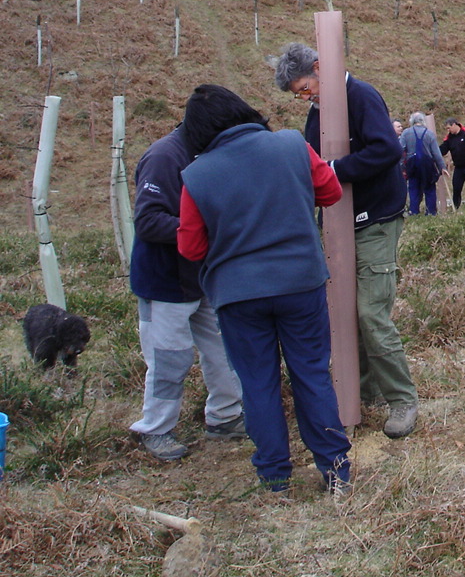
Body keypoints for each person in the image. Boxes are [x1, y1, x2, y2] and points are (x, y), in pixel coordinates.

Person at [176, 84, 351, 495]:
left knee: (257, 384)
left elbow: (190, 247)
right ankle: (336, 470)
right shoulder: (291, 145)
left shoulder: (196, 175)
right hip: (300, 283)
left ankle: (275, 478)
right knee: (312, 374)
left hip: (238, 296)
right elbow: (331, 192)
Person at [273, 42, 419, 439]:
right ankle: (364, 392)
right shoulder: (317, 114)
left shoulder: (361, 96)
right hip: (338, 225)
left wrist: (335, 170)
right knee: (345, 313)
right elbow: (311, 163)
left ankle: (402, 399)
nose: (305, 98)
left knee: (371, 313)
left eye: (305, 88)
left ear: (320, 68)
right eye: (299, 95)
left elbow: (385, 150)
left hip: (378, 218)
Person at [129, 122, 245, 461]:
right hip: (164, 281)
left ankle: (225, 417)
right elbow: (148, 221)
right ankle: (156, 428)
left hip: (202, 277)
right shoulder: (164, 157)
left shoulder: (211, 152)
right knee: (169, 358)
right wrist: (201, 229)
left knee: (224, 350)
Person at [401, 112, 446, 216]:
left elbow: (400, 150)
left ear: (412, 121)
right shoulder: (429, 133)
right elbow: (436, 153)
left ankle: (414, 211)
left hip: (412, 164)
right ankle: (431, 211)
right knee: (429, 187)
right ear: (423, 121)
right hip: (427, 165)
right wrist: (442, 167)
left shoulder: (406, 133)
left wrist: (401, 165)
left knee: (413, 187)